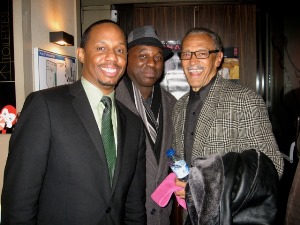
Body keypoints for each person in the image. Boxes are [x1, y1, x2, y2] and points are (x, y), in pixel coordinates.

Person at [1, 20, 146, 225]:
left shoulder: (134, 125)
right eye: (101, 48)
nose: (113, 57)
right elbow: (19, 200)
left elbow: (134, 206)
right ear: (81, 54)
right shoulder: (45, 106)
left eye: (120, 50)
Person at [171, 27, 284, 223]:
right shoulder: (179, 106)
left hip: (231, 216)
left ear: (218, 59)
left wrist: (205, 185)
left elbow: (273, 166)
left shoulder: (245, 100)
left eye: (202, 53)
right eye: (187, 54)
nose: (192, 61)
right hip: (191, 216)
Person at [115, 25, 177, 225]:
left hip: (161, 215)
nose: (152, 63)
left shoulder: (172, 104)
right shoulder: (111, 100)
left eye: (158, 57)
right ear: (126, 59)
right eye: (142, 56)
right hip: (123, 217)